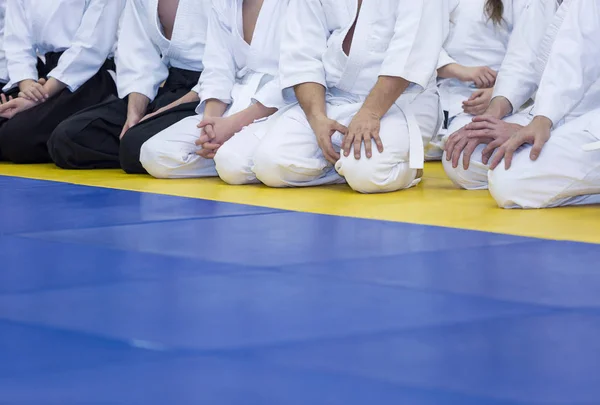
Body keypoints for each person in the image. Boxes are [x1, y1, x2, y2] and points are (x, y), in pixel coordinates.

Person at [251, 0, 446, 194]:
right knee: (270, 165)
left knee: (367, 175)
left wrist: (370, 113)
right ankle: (342, 166)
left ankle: (405, 167)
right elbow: (302, 54)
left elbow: (411, 51)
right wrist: (317, 118)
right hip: (332, 98)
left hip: (402, 99)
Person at [47, 0, 210, 173]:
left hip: (209, 94)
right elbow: (140, 53)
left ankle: (211, 154)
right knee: (68, 139)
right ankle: (146, 150)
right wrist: (135, 113)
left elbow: (225, 65)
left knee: (133, 146)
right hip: (171, 85)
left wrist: (162, 112)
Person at [140, 0, 290, 184]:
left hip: (280, 108)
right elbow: (217, 68)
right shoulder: (223, 4)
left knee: (233, 165)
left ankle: (320, 166)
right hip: (233, 102)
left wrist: (233, 124)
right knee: (155, 154)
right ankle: (223, 151)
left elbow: (297, 73)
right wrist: (209, 127)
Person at [486, 0, 600, 208]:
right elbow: (524, 56)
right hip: (566, 110)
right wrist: (495, 112)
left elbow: (576, 57)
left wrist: (543, 120)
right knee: (464, 160)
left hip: (586, 112)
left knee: (508, 181)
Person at [442, 0, 561, 189]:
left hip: (579, 117)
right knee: (462, 160)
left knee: (506, 183)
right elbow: (523, 60)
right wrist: (488, 118)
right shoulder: (546, 5)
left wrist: (539, 122)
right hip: (540, 109)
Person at [0, 0, 124, 164]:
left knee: (15, 136)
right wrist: (27, 87)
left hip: (88, 74)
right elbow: (17, 41)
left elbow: (91, 46)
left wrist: (40, 95)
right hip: (41, 73)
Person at [429, 0, 530, 162]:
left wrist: (498, 94)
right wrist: (458, 70)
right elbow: (420, 43)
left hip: (493, 100)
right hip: (438, 93)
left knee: (464, 154)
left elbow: (528, 58)